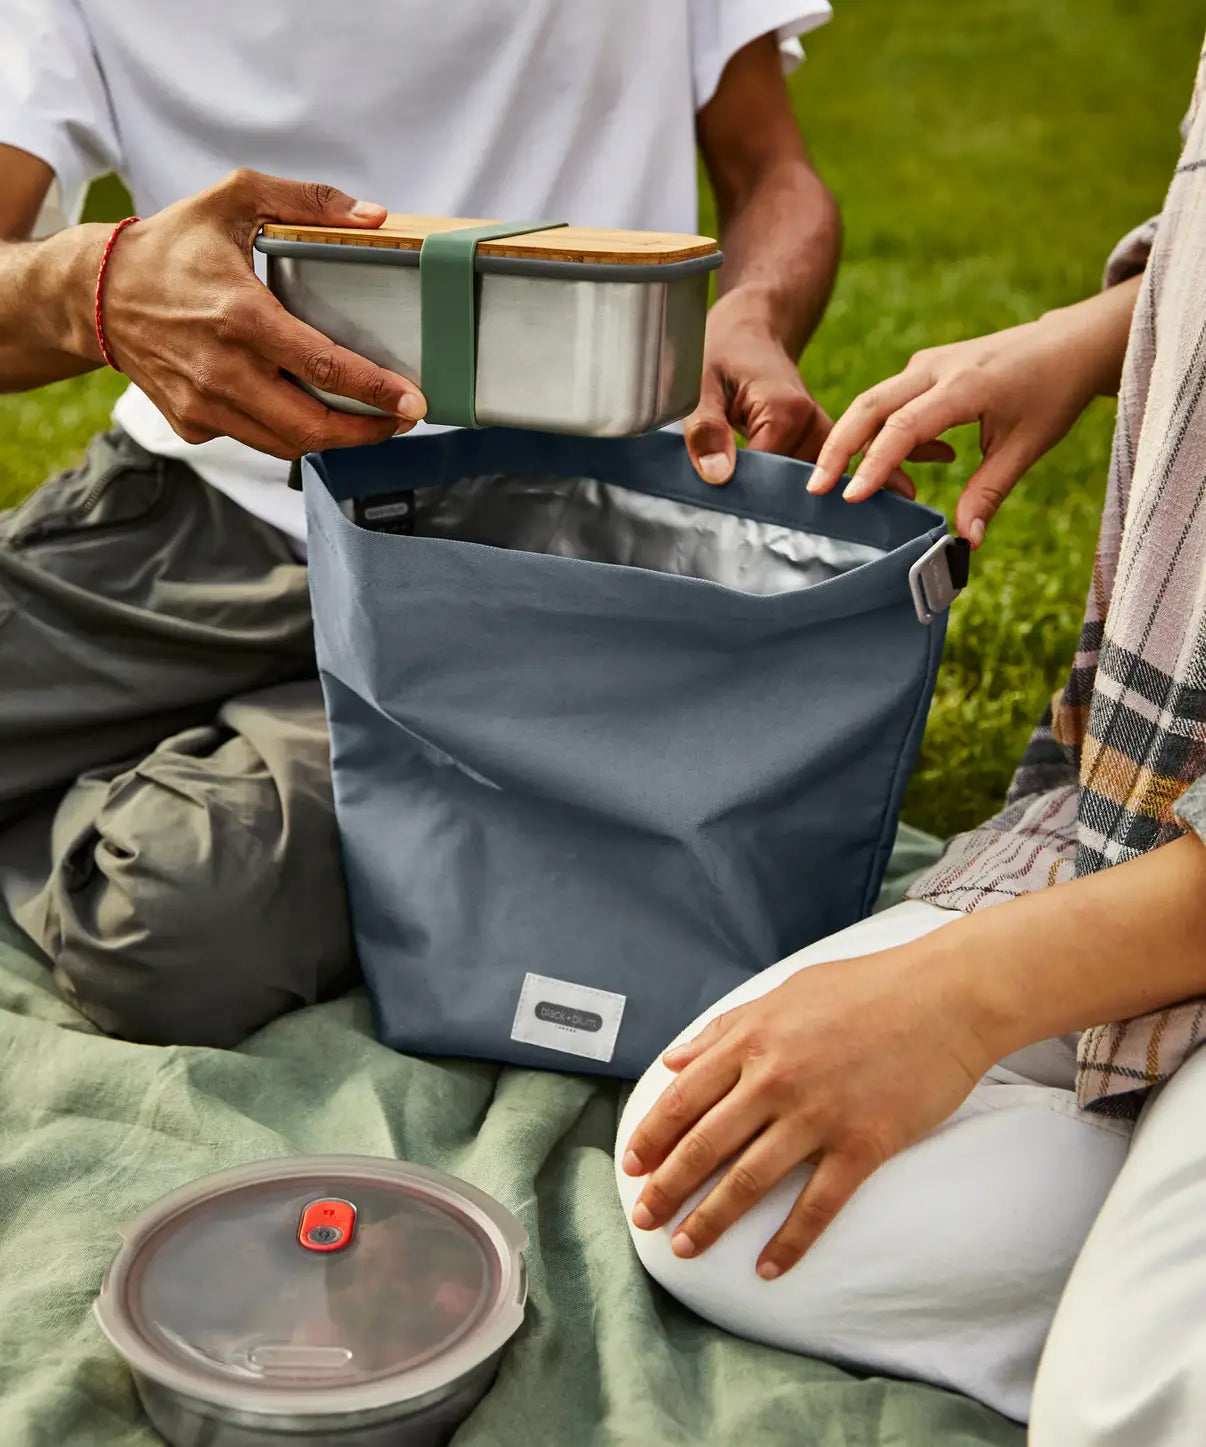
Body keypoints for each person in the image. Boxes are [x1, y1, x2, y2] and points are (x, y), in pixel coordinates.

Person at [0, 1, 840, 1046]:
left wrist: (751, 310)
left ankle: (263, 760)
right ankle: (265, 755)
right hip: (194, 513)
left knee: (165, 922)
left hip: (527, 553)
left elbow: (772, 173)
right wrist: (94, 283)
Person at [617, 33, 1206, 1447]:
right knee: (700, 1172)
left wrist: (958, 996)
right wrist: (1108, 331)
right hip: (1154, 830)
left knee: (1118, 1409)